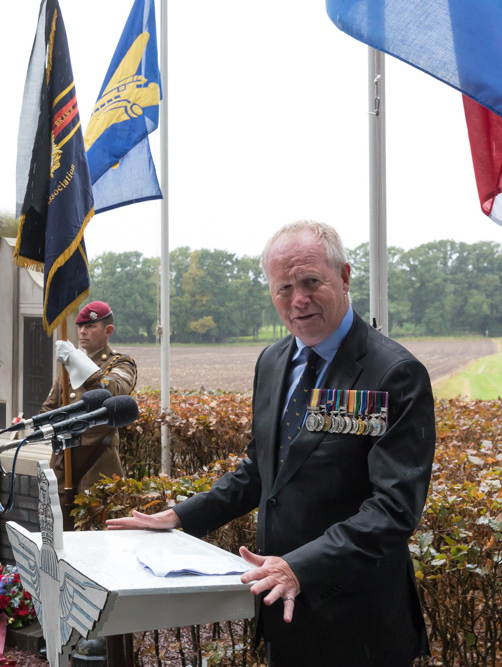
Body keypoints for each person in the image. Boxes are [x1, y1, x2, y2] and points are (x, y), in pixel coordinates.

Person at [108, 221, 435, 666]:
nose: (297, 300)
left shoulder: (393, 373)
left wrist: (300, 565)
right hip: (283, 611)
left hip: (360, 623)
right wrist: (180, 515)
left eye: (310, 282)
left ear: (343, 276)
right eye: (283, 287)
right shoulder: (274, 360)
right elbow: (261, 470)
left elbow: (395, 508)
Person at [40, 301, 137, 518]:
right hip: (63, 465)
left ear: (108, 331)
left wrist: (76, 360)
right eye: (80, 326)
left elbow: (115, 390)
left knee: (95, 536)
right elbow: (49, 408)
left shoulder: (121, 363)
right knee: (60, 536)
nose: (82, 332)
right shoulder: (68, 367)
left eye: (90, 326)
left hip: (97, 467)